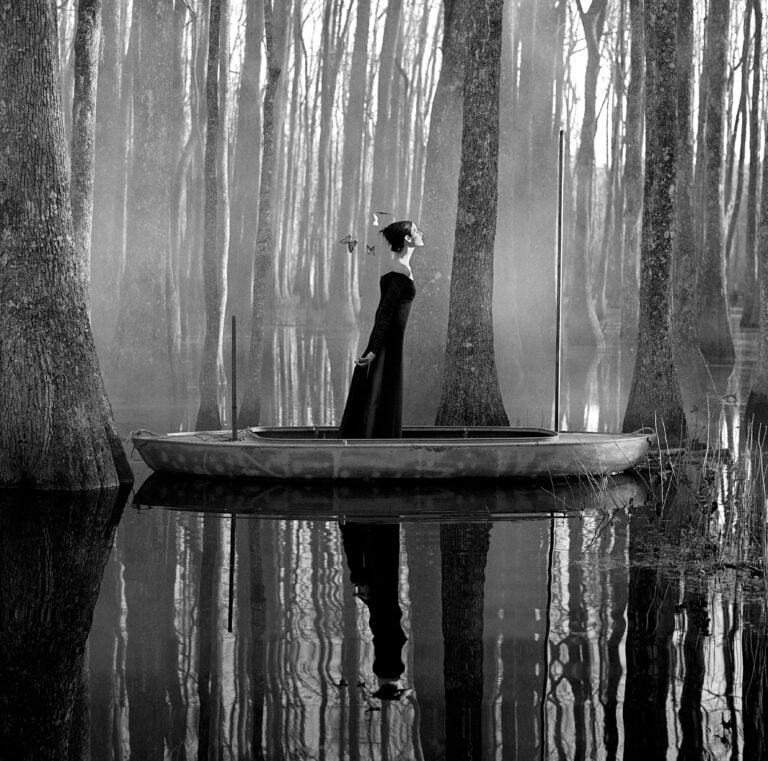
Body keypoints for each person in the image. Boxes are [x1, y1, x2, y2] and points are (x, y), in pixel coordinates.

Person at [338, 220, 424, 438]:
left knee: (383, 390)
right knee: (381, 390)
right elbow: (384, 314)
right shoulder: (400, 271)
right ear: (407, 238)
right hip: (388, 343)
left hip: (392, 341)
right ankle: (376, 441)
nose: (420, 233)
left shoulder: (402, 267)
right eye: (416, 231)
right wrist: (375, 350)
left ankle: (379, 439)